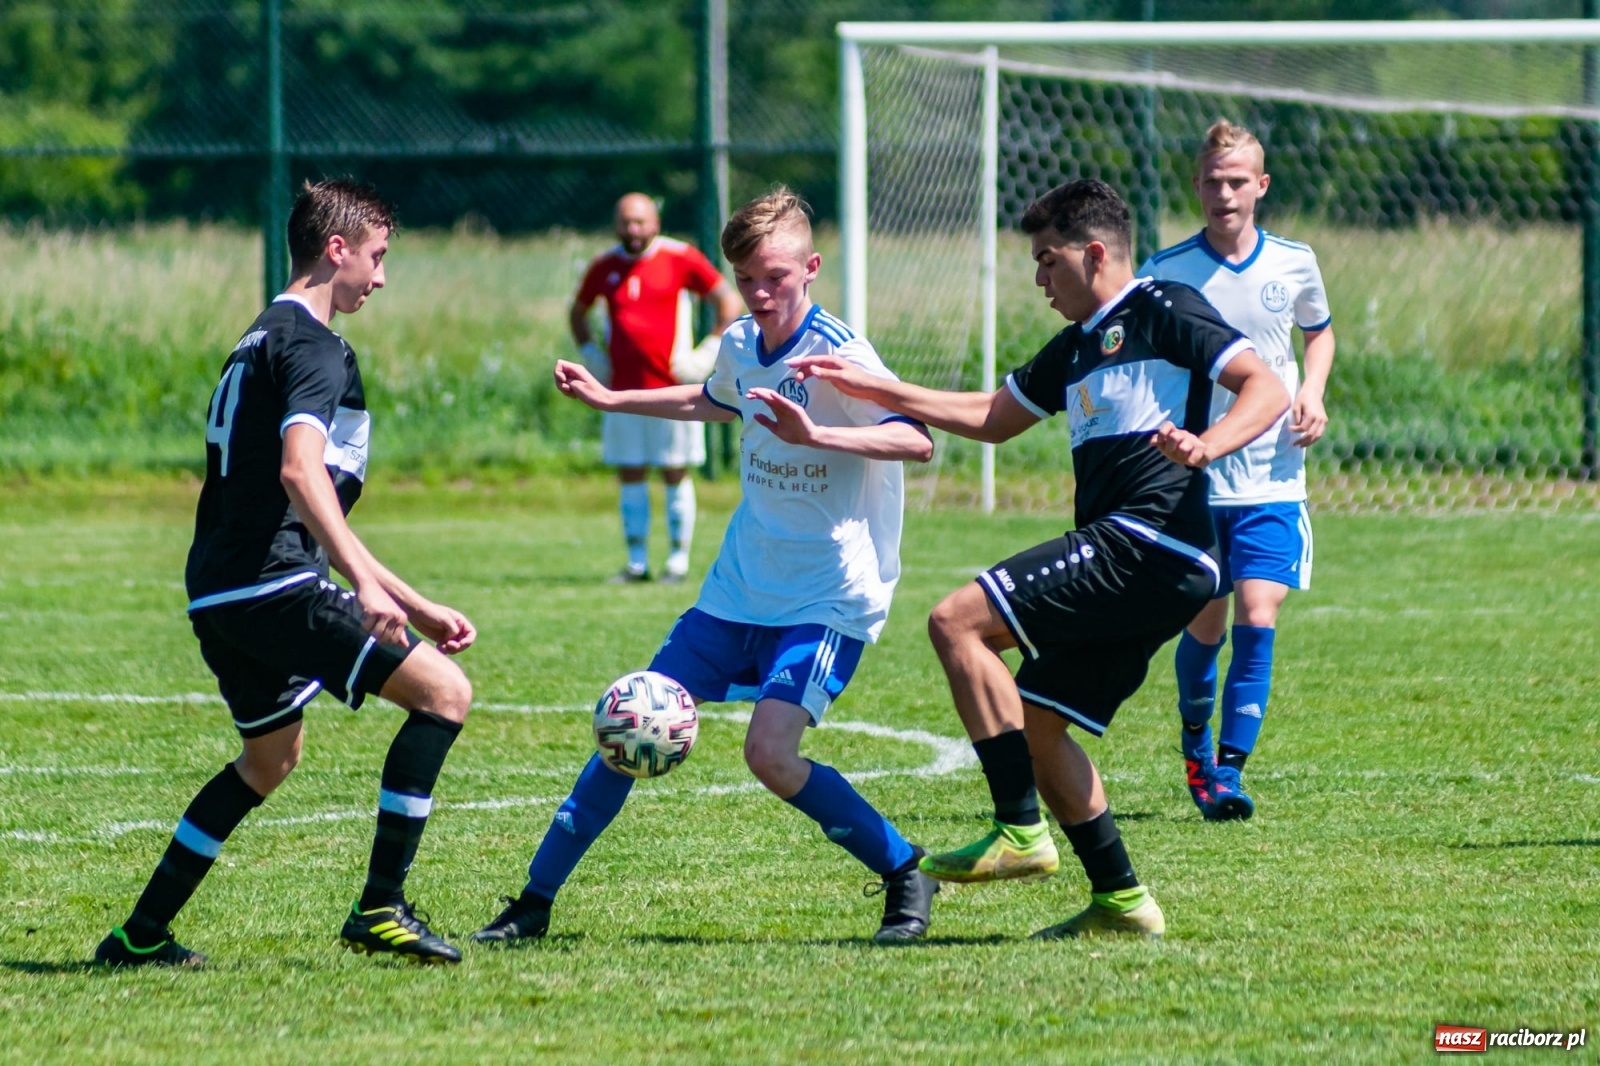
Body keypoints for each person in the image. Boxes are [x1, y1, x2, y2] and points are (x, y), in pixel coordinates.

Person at [790, 178, 1289, 939]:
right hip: (1154, 564)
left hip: (1148, 541)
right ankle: (1123, 901)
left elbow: (1267, 386)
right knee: (1038, 725)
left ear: (1094, 253)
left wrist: (1208, 444)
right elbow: (993, 418)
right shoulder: (1077, 346)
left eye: (1047, 260)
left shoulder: (1162, 307)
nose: (1038, 279)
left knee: (956, 623)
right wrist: (876, 386)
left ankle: (1020, 828)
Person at [472, 187, 940, 945]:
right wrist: (614, 397)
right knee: (628, 725)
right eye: (747, 277)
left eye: (776, 277)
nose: (759, 293)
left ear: (812, 268)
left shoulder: (841, 354)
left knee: (770, 755)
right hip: (737, 589)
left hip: (825, 597)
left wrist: (818, 433)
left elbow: (914, 440)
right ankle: (533, 903)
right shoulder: (741, 342)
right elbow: (716, 399)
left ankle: (902, 870)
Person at [94, 180, 477, 967]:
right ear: (335, 250)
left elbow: (305, 507)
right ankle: (380, 908)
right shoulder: (313, 345)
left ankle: (138, 935)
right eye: (376, 257)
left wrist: (414, 599)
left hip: (220, 589)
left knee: (270, 759)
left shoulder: (257, 338)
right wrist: (368, 588)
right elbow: (303, 479)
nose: (380, 277)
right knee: (445, 694)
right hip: (272, 585)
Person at [1139, 120, 1335, 821]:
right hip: (1195, 478)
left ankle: (1228, 771)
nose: (1225, 193)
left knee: (1259, 611)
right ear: (1196, 186)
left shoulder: (1293, 261)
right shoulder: (1165, 271)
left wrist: (1311, 390)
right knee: (1206, 624)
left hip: (1274, 477)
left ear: (1261, 186)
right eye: (1213, 181)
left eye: (1238, 181)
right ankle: (1197, 748)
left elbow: (1320, 331)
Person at [571, 192, 743, 583]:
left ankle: (678, 561)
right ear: (616, 224)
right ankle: (637, 562)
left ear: (655, 222)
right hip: (621, 394)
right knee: (630, 471)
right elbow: (577, 311)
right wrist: (591, 354)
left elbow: (727, 301)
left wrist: (708, 352)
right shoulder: (605, 265)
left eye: (640, 221)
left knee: (674, 471)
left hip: (673, 391)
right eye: (626, 222)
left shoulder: (679, 257)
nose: (633, 229)